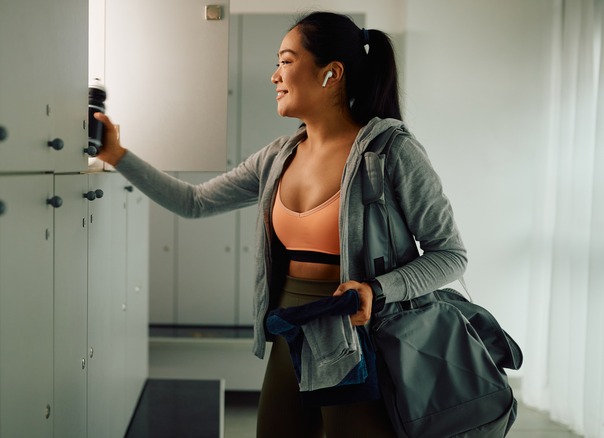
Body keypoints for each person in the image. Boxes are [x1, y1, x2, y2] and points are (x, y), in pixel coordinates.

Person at [94, 11, 466, 438]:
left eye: (286, 61)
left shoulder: (391, 151)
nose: (274, 76)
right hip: (290, 328)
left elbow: (450, 254)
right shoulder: (276, 157)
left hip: (359, 333)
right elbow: (194, 203)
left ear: (332, 73)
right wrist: (116, 155)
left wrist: (377, 290)